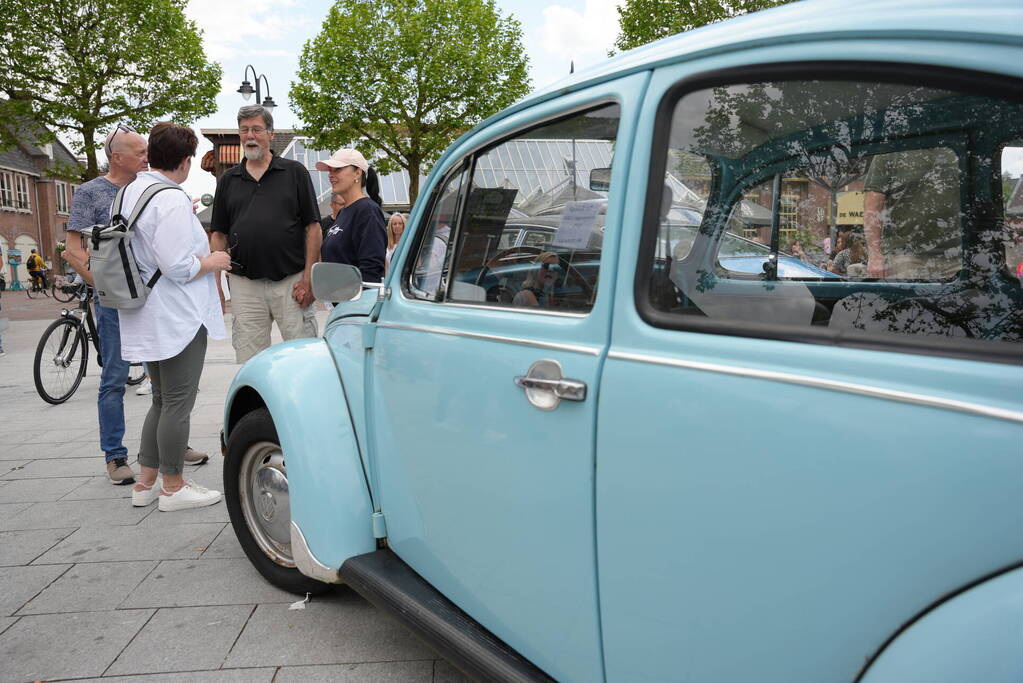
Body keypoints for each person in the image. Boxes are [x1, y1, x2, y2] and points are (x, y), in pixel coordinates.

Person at [63, 123, 208, 485]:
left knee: (165, 390)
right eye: (140, 152)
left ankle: (168, 450)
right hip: (118, 298)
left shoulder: (144, 188)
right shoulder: (93, 192)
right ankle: (115, 455)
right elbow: (73, 249)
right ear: (117, 157)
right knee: (116, 378)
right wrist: (108, 288)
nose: (147, 157)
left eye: (148, 151)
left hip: (149, 299)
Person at [118, 122, 229, 511]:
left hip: (145, 309)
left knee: (162, 399)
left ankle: (145, 483)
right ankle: (173, 486)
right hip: (176, 314)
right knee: (178, 401)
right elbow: (179, 266)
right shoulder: (170, 198)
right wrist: (214, 260)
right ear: (185, 161)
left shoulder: (131, 190)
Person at [210, 105, 321, 363]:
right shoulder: (228, 180)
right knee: (250, 362)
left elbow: (313, 229)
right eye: (244, 130)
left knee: (303, 358)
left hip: (291, 282)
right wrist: (215, 286)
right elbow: (218, 235)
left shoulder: (295, 173)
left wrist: (309, 278)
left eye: (257, 129)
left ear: (271, 134)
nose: (250, 136)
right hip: (245, 285)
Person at [315, 149, 386, 283]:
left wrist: (359, 296)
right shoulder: (343, 212)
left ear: (357, 173)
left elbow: (372, 270)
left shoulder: (367, 210)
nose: (330, 175)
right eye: (330, 170)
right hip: (336, 294)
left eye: (337, 169)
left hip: (356, 295)